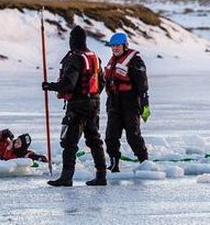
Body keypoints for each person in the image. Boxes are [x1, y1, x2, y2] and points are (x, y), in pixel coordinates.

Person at [42, 25, 107, 186]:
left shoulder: (76, 58)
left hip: (78, 106)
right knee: (94, 139)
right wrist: (93, 96)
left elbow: (69, 84)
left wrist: (50, 86)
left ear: (73, 40)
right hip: (94, 103)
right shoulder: (94, 57)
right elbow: (102, 81)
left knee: (69, 142)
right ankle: (101, 175)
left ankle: (66, 177)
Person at [103, 32, 150, 172]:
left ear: (124, 45)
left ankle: (144, 161)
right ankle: (114, 163)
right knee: (111, 136)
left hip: (130, 103)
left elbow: (143, 85)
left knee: (133, 135)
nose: (115, 48)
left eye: (117, 46)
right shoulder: (112, 61)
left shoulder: (135, 61)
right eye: (112, 46)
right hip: (113, 103)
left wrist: (145, 105)